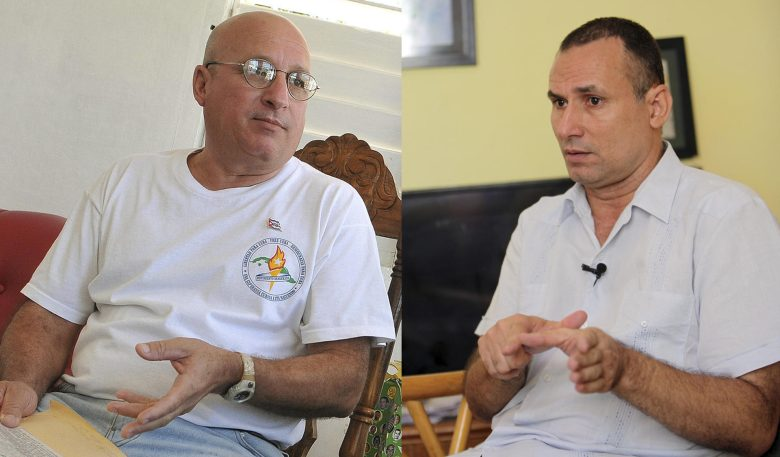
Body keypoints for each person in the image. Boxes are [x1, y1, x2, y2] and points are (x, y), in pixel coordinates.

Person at [0, 11, 394, 456]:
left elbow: (344, 383)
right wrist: (21, 384)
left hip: (220, 441)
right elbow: (47, 316)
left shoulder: (331, 207)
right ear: (202, 85)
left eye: (298, 81)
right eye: (259, 71)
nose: (279, 97)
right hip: (73, 417)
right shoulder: (127, 180)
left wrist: (234, 371)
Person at [460, 17, 780, 457]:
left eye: (592, 100)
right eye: (558, 102)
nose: (566, 126)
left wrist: (626, 370)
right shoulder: (537, 223)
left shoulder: (726, 216)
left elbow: (755, 426)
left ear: (656, 107)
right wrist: (500, 364)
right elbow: (480, 402)